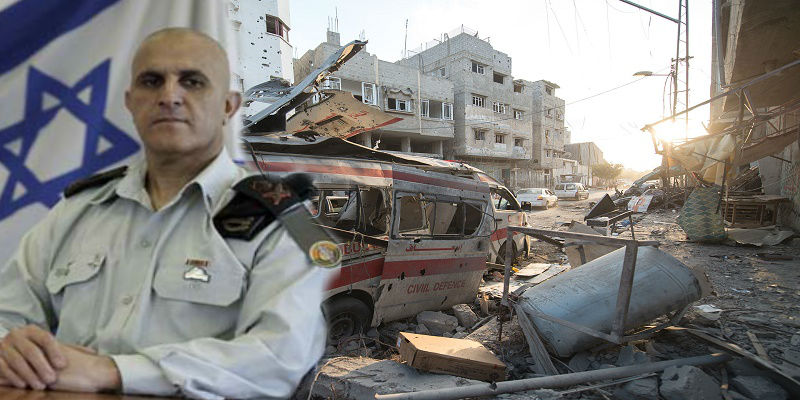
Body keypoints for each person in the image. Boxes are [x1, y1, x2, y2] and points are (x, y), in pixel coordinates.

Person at [0, 28, 333, 399]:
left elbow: (282, 356)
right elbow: (7, 310)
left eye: (192, 81)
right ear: (130, 102)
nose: (169, 96)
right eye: (151, 81)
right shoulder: (76, 211)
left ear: (228, 106)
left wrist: (112, 371)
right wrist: (11, 348)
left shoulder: (281, 218)